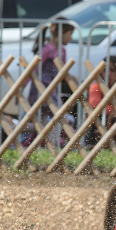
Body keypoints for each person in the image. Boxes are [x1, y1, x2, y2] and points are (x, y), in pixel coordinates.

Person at [26, 17, 77, 146]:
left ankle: (41, 142)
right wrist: (22, 85)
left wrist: (70, 77)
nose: (71, 38)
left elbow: (62, 70)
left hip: (52, 89)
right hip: (41, 89)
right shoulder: (47, 50)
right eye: (70, 34)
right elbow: (34, 69)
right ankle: (52, 142)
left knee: (46, 119)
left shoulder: (62, 51)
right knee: (57, 116)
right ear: (62, 33)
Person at [85, 55, 116, 148]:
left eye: (112, 70)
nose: (108, 74)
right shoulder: (96, 86)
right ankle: (92, 145)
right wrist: (114, 112)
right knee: (99, 116)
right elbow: (95, 104)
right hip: (98, 123)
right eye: (105, 70)